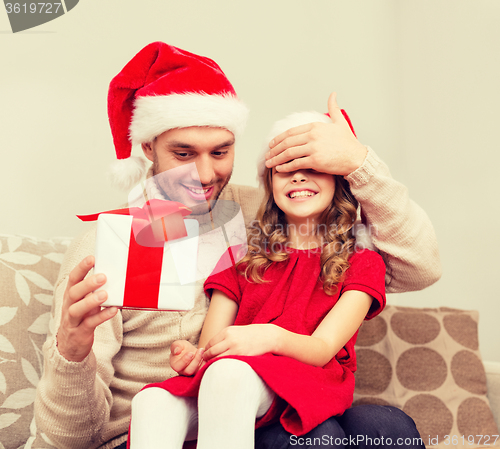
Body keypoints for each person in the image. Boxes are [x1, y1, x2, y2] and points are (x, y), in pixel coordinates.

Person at [34, 41, 439, 449]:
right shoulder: (106, 246)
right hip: (158, 425)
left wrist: (358, 163)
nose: (205, 174)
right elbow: (65, 440)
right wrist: (71, 352)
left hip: (261, 400)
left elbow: (417, 267)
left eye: (220, 152)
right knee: (318, 435)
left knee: (389, 430)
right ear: (146, 147)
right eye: (183, 153)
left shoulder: (263, 215)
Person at [127, 109, 387, 449]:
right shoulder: (244, 260)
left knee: (228, 374)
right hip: (230, 379)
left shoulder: (361, 262)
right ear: (269, 182)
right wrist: (193, 357)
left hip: (305, 379)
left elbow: (322, 350)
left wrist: (268, 337)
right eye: (285, 171)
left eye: (312, 169)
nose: (297, 178)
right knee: (152, 401)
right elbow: (211, 349)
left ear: (339, 181)